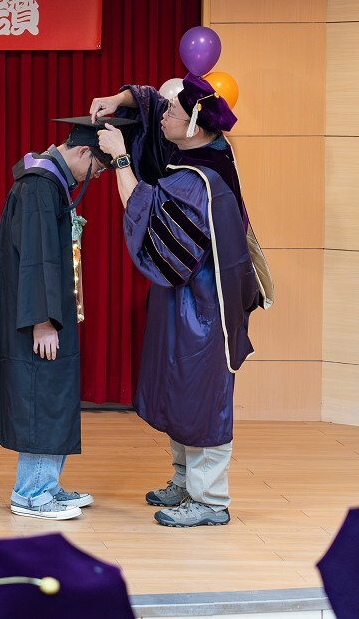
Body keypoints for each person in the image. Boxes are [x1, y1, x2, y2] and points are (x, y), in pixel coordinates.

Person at [91, 75, 261, 527]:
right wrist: (118, 99)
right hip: (185, 299)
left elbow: (148, 218)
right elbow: (150, 102)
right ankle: (185, 481)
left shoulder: (197, 181)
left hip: (204, 305)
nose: (163, 115)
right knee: (180, 389)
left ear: (194, 127)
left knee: (202, 397)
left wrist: (121, 158)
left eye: (174, 112)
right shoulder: (206, 150)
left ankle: (210, 501)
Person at [0, 117, 133, 521]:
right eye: (97, 168)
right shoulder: (38, 187)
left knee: (54, 393)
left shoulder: (48, 184)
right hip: (39, 316)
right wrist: (43, 320)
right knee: (42, 394)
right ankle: (31, 493)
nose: (96, 177)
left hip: (48, 310)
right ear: (83, 151)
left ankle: (47, 484)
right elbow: (36, 257)